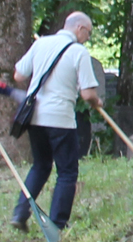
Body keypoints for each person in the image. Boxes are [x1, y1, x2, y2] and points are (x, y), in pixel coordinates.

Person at [10, 12, 104, 230]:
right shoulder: (78, 52)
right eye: (88, 33)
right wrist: (97, 102)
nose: (88, 38)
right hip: (60, 118)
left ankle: (20, 211)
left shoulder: (41, 43)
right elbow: (87, 94)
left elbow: (19, 75)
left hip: (35, 116)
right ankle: (57, 224)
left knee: (40, 165)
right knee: (67, 172)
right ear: (80, 28)